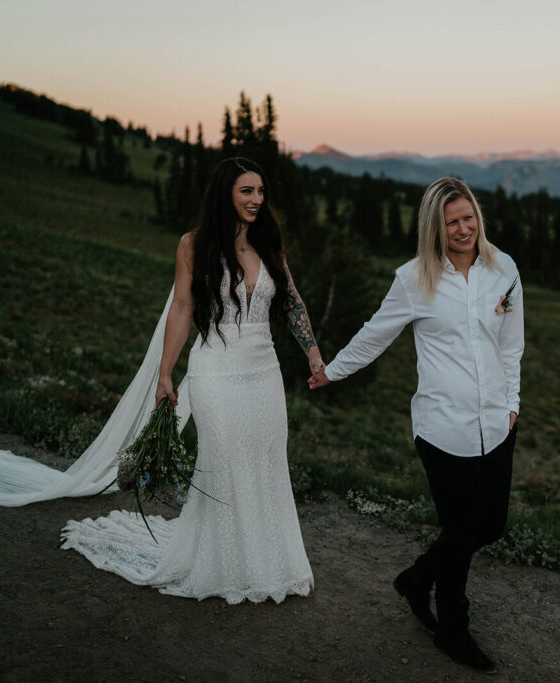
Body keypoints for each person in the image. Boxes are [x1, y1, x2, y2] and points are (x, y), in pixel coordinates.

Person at [59, 157, 321, 604]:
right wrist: (165, 372)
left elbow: (291, 300)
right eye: (246, 191)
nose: (257, 199)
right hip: (215, 368)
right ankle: (219, 563)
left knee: (266, 454)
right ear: (225, 194)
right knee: (223, 458)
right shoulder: (193, 245)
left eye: (261, 191)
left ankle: (265, 562)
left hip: (264, 369)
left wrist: (313, 353)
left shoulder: (269, 241)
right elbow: (182, 308)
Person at [308, 176, 524, 673]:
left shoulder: (503, 269)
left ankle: (416, 578)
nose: (464, 229)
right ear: (435, 227)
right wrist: (332, 371)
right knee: (462, 526)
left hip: (496, 421)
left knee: (490, 524)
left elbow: (511, 343)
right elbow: (374, 335)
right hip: (442, 428)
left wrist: (512, 403)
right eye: (452, 222)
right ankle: (452, 629)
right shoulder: (414, 279)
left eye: (469, 218)